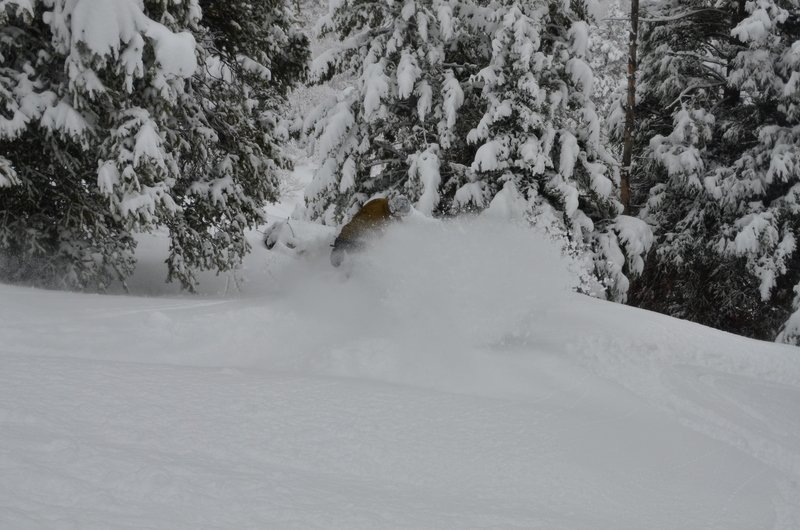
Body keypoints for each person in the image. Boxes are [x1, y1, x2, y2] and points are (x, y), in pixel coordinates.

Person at [330, 195, 412, 267]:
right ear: (394, 209)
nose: (400, 217)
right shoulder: (374, 213)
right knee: (361, 261)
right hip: (355, 240)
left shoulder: (389, 209)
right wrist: (339, 245)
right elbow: (354, 225)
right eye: (400, 214)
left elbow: (397, 220)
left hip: (371, 239)